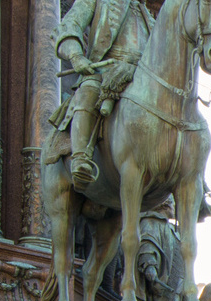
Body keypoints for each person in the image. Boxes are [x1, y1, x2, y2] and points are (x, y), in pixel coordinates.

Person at [52, 0, 155, 188]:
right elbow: (69, 27)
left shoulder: (148, 16)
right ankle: (81, 158)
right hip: (105, 71)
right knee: (88, 90)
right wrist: (76, 56)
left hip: (142, 79)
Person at [135, 198, 183, 301]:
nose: (176, 208)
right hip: (161, 286)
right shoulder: (152, 221)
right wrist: (149, 264)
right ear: (166, 204)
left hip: (177, 285)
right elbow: (147, 242)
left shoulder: (173, 229)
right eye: (174, 204)